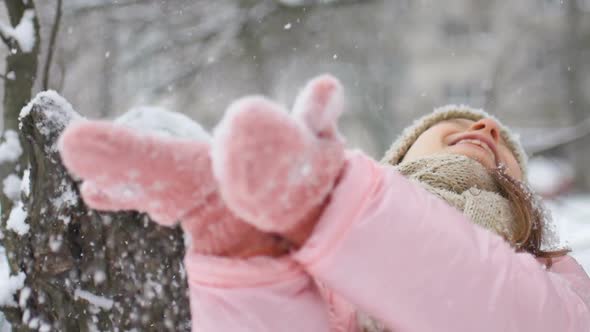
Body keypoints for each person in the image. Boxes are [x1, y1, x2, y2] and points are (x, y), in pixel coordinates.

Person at [58, 75, 590, 331]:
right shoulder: (323, 258)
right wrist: (241, 254)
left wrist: (334, 203)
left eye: (502, 141)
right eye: (452, 124)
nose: (485, 126)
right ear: (397, 161)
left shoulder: (555, 273)